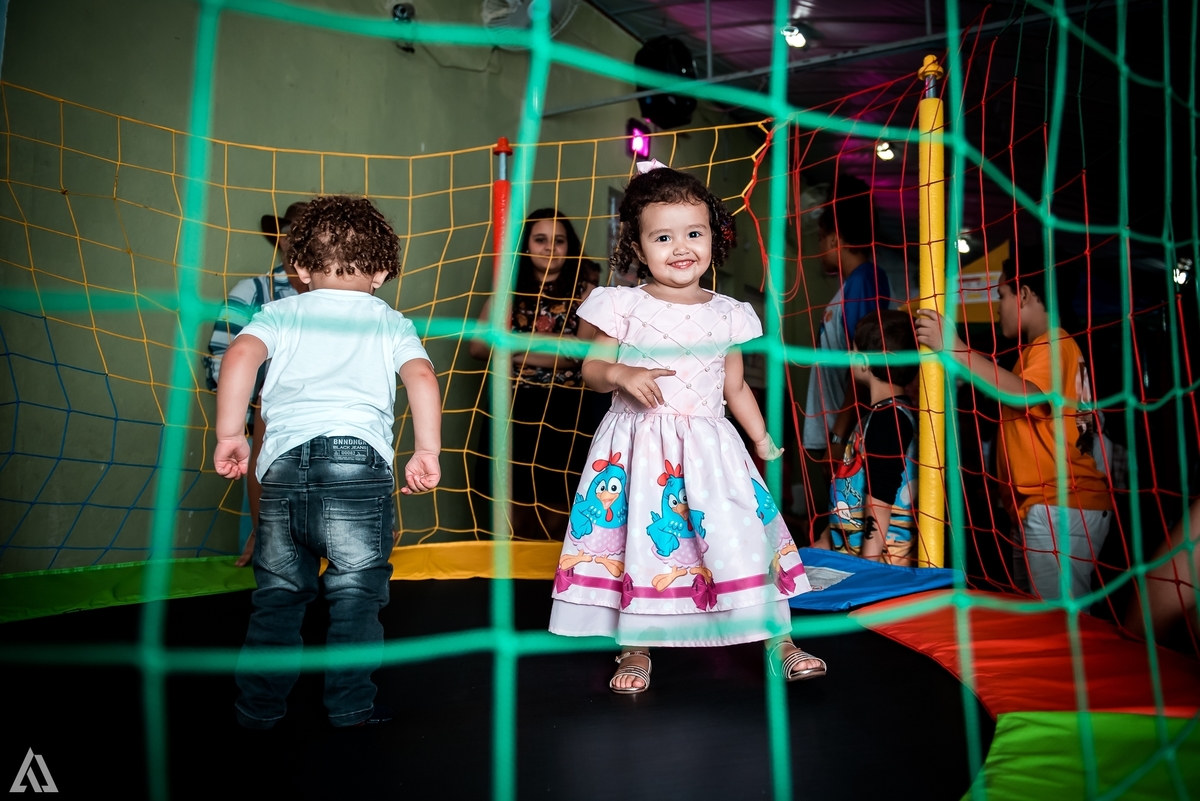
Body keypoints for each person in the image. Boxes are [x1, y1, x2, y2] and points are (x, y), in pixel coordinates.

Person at [548, 162, 826, 692]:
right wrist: (623, 372)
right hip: (639, 447)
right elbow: (591, 372)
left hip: (710, 449)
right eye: (664, 236)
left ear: (713, 239)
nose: (682, 247)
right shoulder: (622, 304)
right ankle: (634, 649)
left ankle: (780, 642)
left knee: (742, 539)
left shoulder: (729, 313)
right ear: (637, 244)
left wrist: (762, 437)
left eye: (694, 233)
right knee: (639, 545)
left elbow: (735, 386)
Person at [213, 196, 442, 728]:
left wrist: (230, 434)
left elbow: (241, 356)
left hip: (283, 466)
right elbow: (422, 379)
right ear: (383, 271)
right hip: (358, 465)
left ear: (298, 269)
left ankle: (258, 710)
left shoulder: (279, 310)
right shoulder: (389, 320)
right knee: (356, 594)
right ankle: (350, 705)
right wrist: (426, 449)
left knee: (278, 596)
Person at [915, 256, 1111, 604]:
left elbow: (1024, 394)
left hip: (1060, 510)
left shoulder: (1053, 344)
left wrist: (956, 348)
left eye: (1001, 294)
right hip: (1045, 508)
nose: (996, 307)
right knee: (1043, 625)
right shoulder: (1042, 349)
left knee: (1060, 630)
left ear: (1023, 294)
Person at [469, 208, 601, 539]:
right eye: (540, 239)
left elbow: (579, 359)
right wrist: (553, 343)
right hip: (512, 406)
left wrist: (511, 347)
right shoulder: (508, 289)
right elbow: (478, 347)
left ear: (569, 246)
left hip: (566, 411)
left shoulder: (586, 292)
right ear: (526, 244)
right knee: (510, 502)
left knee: (558, 503)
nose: (549, 248)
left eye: (558, 241)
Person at [205, 201, 309, 567]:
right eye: (295, 232)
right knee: (267, 558)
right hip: (263, 441)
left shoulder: (348, 303)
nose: (302, 241)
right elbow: (220, 364)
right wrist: (279, 393)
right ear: (281, 239)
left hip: (329, 444)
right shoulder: (252, 294)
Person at [802, 176, 891, 537]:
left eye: (820, 239)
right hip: (833, 431)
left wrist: (840, 437)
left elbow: (864, 364)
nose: (819, 247)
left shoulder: (865, 281)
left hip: (845, 434)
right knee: (833, 529)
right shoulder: (849, 285)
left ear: (835, 239)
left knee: (843, 530)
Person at [817, 310, 919, 566]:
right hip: (854, 557)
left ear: (863, 361)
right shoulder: (877, 415)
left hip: (882, 566)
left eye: (852, 350)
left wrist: (869, 565)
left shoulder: (890, 419)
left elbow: (881, 500)